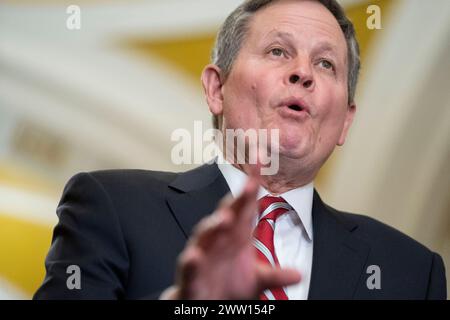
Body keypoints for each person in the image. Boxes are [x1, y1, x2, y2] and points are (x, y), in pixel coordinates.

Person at [34, 0, 446, 300]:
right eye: (278, 51)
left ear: (345, 121)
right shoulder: (113, 208)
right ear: (216, 89)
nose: (303, 72)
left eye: (325, 64)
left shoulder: (410, 270)